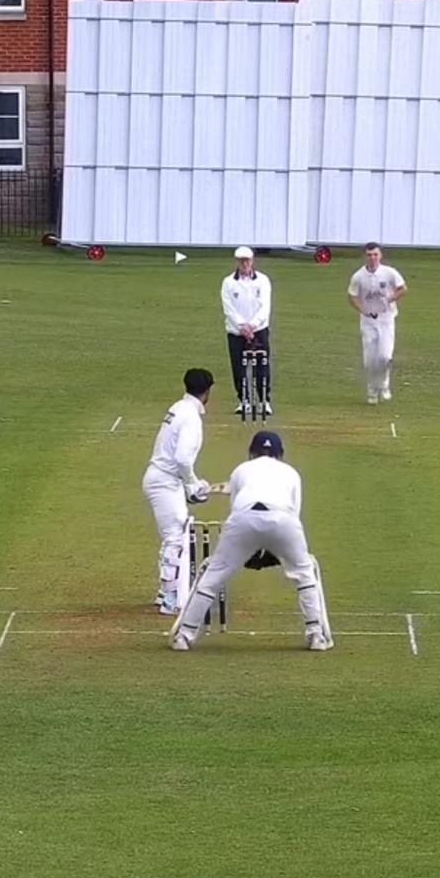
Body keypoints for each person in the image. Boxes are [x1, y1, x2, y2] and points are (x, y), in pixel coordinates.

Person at [169, 430, 332, 652]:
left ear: (252, 452)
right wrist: (275, 552)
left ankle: (184, 636)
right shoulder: (291, 473)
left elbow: (236, 510)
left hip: (244, 518)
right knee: (304, 574)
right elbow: (294, 513)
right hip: (284, 519)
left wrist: (250, 549)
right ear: (280, 453)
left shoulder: (241, 469)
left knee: (213, 576)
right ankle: (316, 636)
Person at [143, 368, 215, 615]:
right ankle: (170, 600)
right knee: (176, 538)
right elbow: (182, 459)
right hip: (164, 481)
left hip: (163, 478)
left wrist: (189, 485)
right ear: (207, 391)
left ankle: (166, 592)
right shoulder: (191, 417)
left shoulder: (178, 408)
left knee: (173, 536)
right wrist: (193, 484)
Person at [347, 241, 407, 405]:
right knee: (370, 360)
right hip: (368, 322)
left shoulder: (389, 273)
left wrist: (390, 298)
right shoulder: (359, 276)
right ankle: (372, 390)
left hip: (386, 319)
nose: (372, 258)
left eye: (375, 255)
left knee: (384, 356)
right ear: (365, 256)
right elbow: (352, 296)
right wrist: (363, 310)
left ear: (380, 256)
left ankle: (384, 385)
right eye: (369, 255)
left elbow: (402, 288)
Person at [221, 246, 273, 416]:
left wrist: (253, 325)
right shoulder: (228, 282)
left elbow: (265, 307)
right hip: (236, 332)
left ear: (252, 261)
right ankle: (244, 401)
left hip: (259, 330)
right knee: (239, 367)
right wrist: (242, 326)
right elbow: (228, 308)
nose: (244, 264)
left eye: (247, 261)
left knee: (261, 366)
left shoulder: (263, 280)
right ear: (237, 262)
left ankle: (264, 401)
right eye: (241, 261)